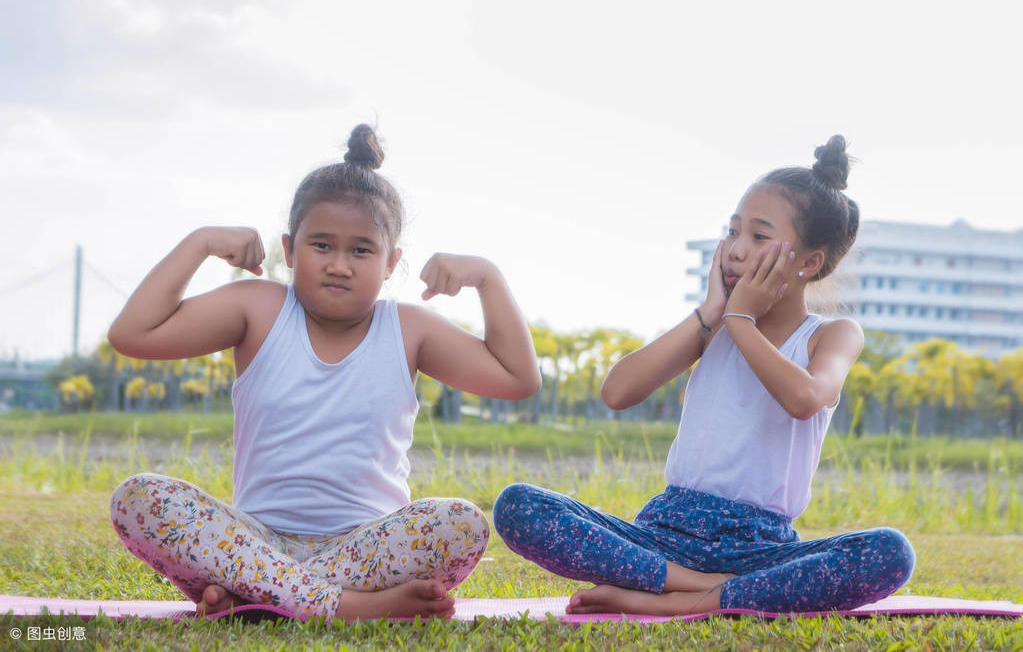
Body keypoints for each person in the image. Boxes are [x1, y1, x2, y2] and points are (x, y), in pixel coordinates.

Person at [108, 124, 541, 621]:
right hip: (254, 539)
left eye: (361, 250)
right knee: (140, 498)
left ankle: (262, 598)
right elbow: (133, 334)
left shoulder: (408, 329)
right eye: (321, 246)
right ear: (290, 252)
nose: (339, 264)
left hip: (365, 551)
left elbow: (517, 379)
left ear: (391, 263)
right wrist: (201, 242)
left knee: (461, 524)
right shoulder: (259, 308)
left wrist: (487, 277)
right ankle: (342, 607)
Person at [493, 135, 914, 616]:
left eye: (758, 236)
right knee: (519, 507)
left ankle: (677, 599)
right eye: (732, 231)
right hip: (664, 534)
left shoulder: (832, 334)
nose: (735, 249)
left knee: (890, 553)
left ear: (810, 262)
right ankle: (699, 586)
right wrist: (713, 312)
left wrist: (741, 320)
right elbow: (617, 391)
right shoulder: (710, 328)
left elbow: (805, 398)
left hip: (760, 550)